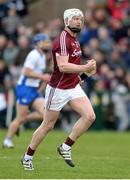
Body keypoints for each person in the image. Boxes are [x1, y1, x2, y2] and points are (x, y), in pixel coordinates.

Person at [21, 8, 96, 170]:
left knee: (89, 116)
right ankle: (27, 157)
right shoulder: (63, 39)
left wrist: (84, 75)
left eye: (80, 19)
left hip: (72, 86)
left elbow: (73, 67)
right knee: (48, 125)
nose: (78, 21)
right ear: (66, 21)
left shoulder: (75, 40)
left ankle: (66, 146)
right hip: (58, 88)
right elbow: (62, 67)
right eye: (75, 18)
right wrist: (85, 67)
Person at [3, 33, 51, 148]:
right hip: (24, 88)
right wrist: (42, 77)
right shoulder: (33, 55)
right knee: (20, 118)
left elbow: (39, 75)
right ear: (38, 43)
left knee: (46, 115)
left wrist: (40, 88)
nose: (47, 44)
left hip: (33, 89)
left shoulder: (42, 56)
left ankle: (22, 119)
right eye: (45, 41)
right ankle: (7, 140)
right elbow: (26, 72)